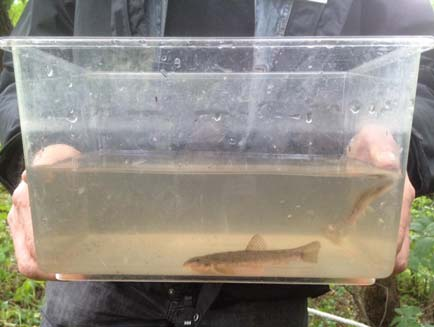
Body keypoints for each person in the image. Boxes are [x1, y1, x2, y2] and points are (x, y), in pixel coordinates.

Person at [1, 1, 434, 326]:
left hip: (267, 296)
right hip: (92, 268)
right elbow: (15, 70)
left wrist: (402, 146)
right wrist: (30, 153)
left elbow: (425, 64)